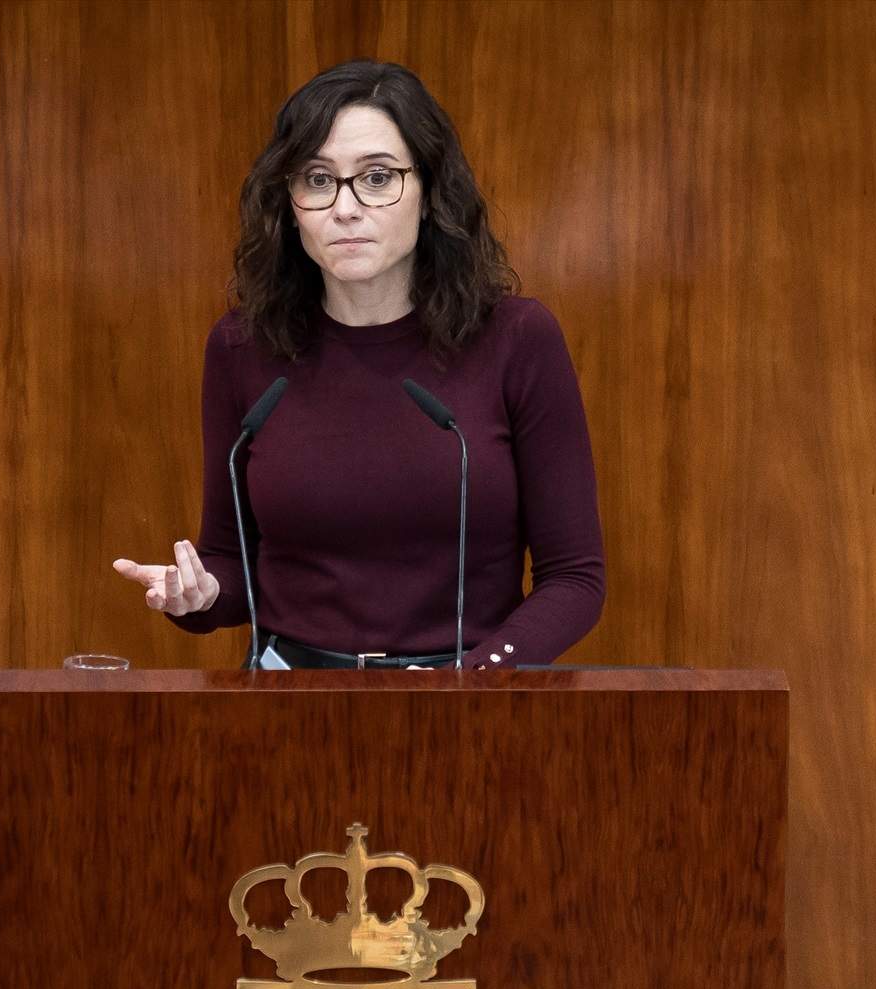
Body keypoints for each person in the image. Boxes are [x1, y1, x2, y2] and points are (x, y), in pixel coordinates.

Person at [112, 60, 604, 669]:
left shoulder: (517, 339)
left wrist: (474, 682)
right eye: (318, 180)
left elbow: (575, 579)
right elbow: (229, 560)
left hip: (470, 702)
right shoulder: (244, 346)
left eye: (376, 177)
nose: (345, 208)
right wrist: (201, 594)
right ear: (289, 206)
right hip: (286, 701)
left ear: (428, 194)